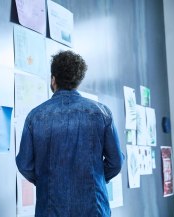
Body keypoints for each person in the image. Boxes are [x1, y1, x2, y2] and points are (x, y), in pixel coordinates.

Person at [16, 50, 124, 217]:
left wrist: (47, 180)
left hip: (49, 210)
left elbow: (24, 164)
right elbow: (116, 162)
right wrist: (96, 177)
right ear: (77, 81)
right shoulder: (102, 113)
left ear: (53, 79)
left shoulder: (35, 116)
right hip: (94, 209)